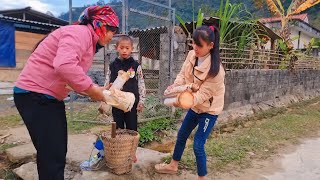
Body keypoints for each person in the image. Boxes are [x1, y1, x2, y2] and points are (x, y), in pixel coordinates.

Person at [13, 5, 119, 180]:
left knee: (53, 152)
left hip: (42, 97)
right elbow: (64, 66)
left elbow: (71, 79)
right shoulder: (81, 33)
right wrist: (92, 89)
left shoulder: (84, 38)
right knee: (53, 155)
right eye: (111, 30)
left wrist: (95, 91)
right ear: (99, 25)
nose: (111, 35)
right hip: (37, 96)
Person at [154, 25, 225, 180]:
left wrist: (181, 102)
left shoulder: (217, 71)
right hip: (194, 106)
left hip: (208, 110)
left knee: (198, 145)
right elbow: (182, 74)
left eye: (199, 45)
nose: (195, 48)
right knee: (181, 135)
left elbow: (202, 96)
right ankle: (173, 165)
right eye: (193, 43)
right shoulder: (192, 55)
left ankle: (202, 178)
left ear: (211, 46)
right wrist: (175, 86)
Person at [103, 35, 146, 161]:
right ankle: (119, 153)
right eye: (122, 48)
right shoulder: (112, 65)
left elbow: (141, 83)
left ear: (132, 48)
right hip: (116, 103)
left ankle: (132, 153)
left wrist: (142, 101)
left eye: (127, 48)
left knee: (132, 129)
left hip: (131, 104)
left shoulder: (136, 65)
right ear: (116, 48)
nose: (124, 50)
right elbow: (107, 82)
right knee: (118, 129)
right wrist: (105, 94)